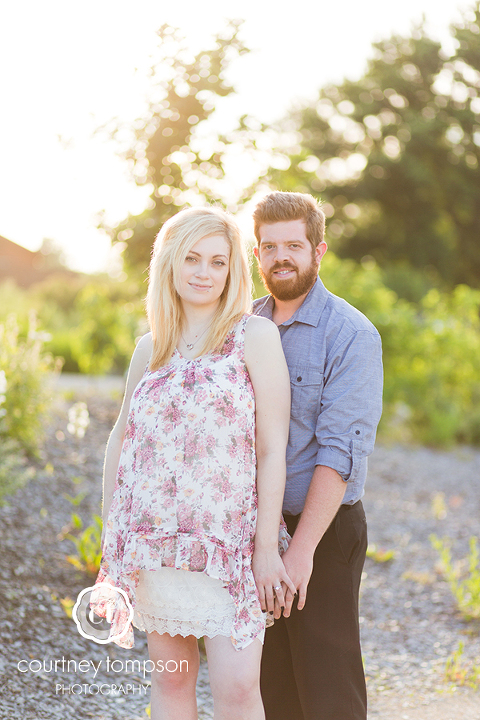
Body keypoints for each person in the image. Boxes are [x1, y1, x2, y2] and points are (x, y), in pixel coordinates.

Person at [91, 206, 295, 720]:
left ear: (233, 271)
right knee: (172, 686)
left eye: (218, 261)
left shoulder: (254, 338)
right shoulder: (150, 347)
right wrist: (112, 541)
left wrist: (266, 548)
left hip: (229, 549)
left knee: (239, 689)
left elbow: (273, 447)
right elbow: (121, 442)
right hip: (155, 546)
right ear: (170, 265)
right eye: (192, 258)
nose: (204, 272)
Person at [252, 191, 383, 720]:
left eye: (293, 245)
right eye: (269, 246)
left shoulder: (350, 334)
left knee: (327, 689)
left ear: (318, 251)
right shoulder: (243, 324)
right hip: (258, 530)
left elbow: (340, 452)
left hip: (322, 532)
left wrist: (299, 551)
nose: (281, 256)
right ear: (256, 254)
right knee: (272, 686)